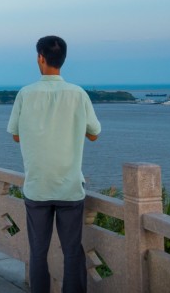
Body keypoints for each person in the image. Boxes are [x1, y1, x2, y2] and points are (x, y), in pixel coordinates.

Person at [7, 35, 101, 293]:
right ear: (63, 59)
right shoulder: (78, 94)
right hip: (69, 187)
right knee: (72, 252)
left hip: (37, 187)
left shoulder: (25, 94)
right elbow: (94, 133)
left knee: (38, 252)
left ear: (40, 57)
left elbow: (16, 135)